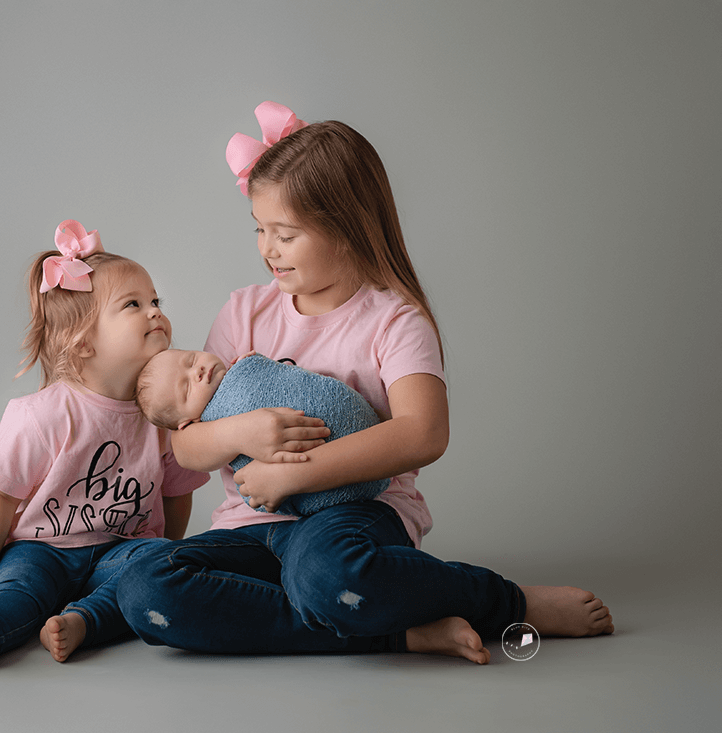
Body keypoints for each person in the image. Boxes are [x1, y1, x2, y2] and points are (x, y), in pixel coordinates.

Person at [118, 102, 614, 663]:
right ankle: (393, 631)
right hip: (254, 524)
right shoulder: (244, 312)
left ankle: (505, 601)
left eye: (286, 234)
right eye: (260, 230)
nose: (267, 249)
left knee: (329, 576)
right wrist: (244, 433)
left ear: (348, 230)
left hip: (355, 516)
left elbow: (423, 433)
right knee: (144, 586)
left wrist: (290, 474)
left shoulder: (394, 320)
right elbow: (185, 442)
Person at [0, 220, 208, 670]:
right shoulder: (44, 415)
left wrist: (164, 550)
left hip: (123, 547)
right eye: (133, 304)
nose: (155, 311)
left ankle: (84, 622)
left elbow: (178, 491)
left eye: (156, 300)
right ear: (83, 345)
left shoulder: (163, 414)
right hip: (42, 547)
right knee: (21, 585)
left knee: (150, 570)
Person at [136, 349, 388, 515]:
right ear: (187, 422)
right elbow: (184, 450)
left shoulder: (241, 365)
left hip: (371, 470)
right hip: (284, 516)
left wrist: (257, 367)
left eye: (191, 360)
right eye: (186, 388)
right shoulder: (204, 425)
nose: (197, 371)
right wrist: (239, 433)